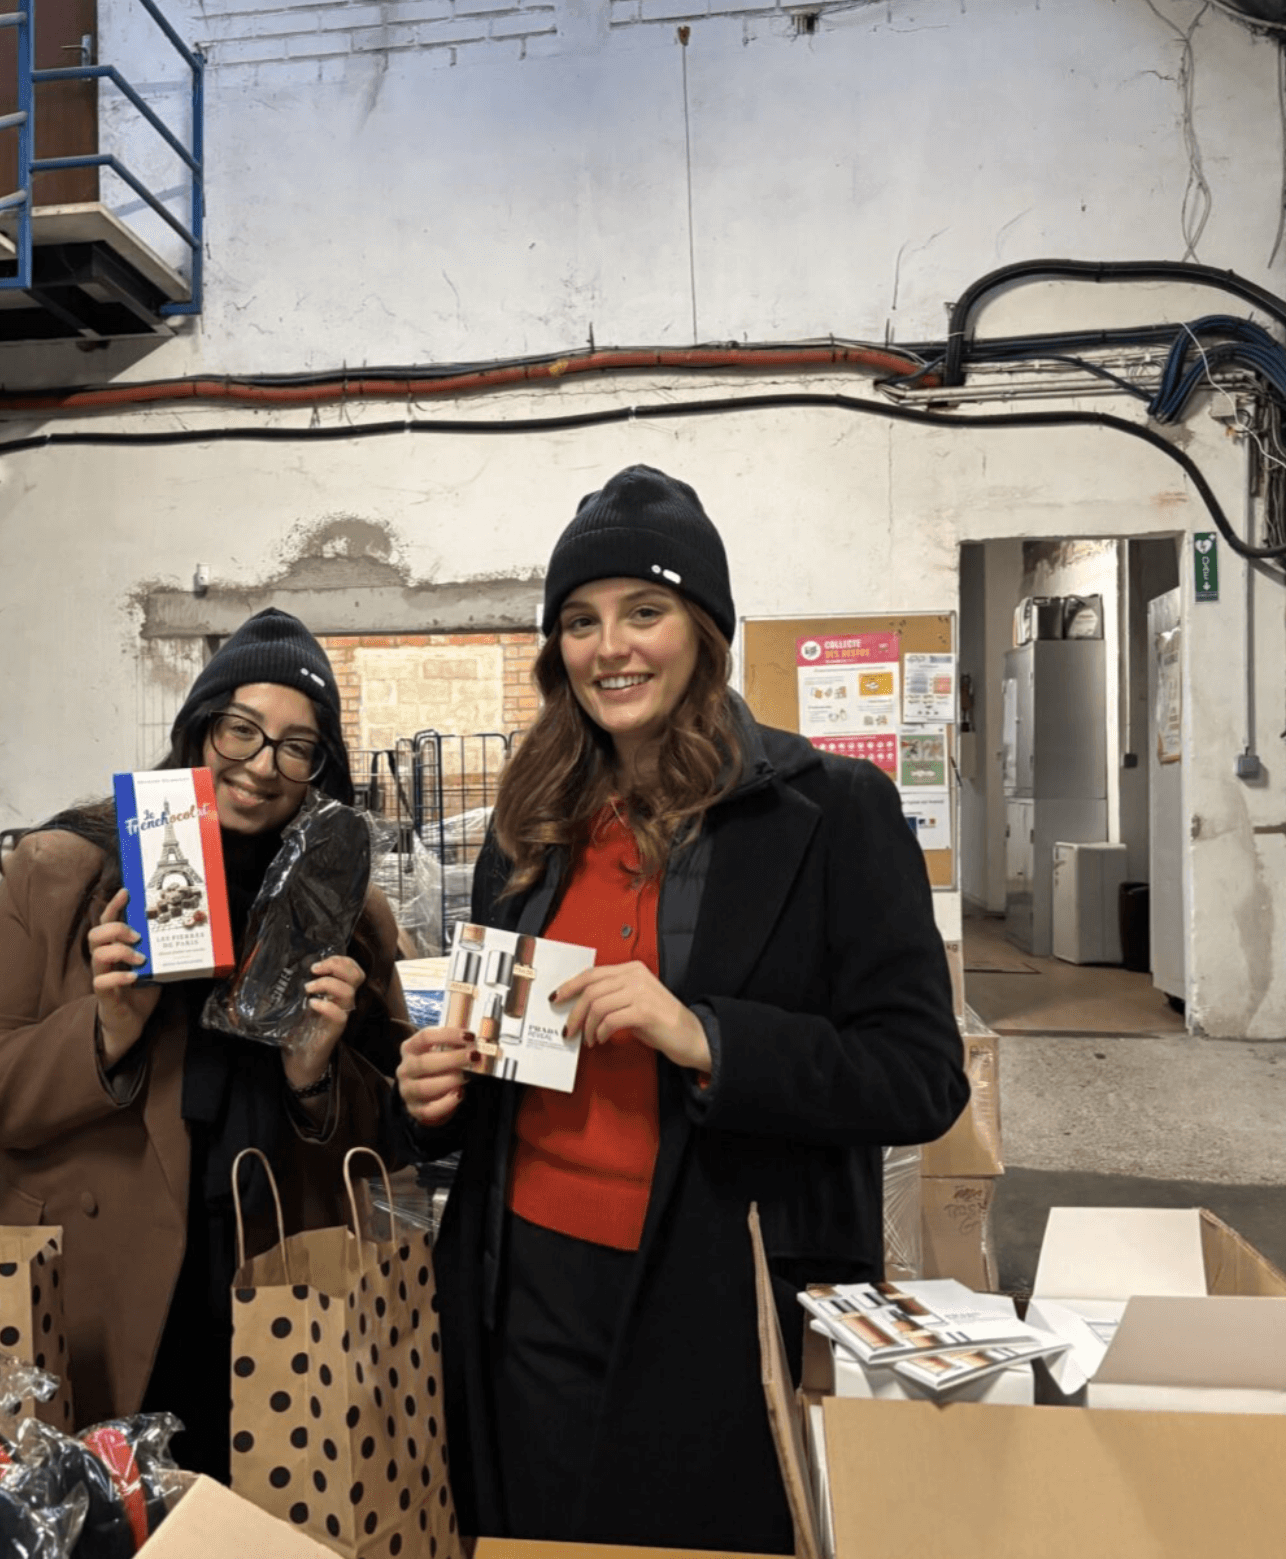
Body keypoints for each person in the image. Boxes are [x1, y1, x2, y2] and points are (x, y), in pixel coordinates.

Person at [396, 466, 969, 1552]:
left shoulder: (831, 814)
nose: (608, 646)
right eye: (579, 620)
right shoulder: (529, 824)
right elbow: (498, 1072)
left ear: (703, 630)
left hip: (719, 1291)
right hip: (524, 1286)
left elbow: (919, 1074)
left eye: (642, 611)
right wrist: (434, 1092)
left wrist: (703, 1033)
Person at [0, 608, 411, 1479]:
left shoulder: (350, 917)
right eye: (242, 730)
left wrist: (315, 1078)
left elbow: (379, 1141)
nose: (262, 764)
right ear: (198, 730)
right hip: (91, 1295)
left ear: (318, 772)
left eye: (296, 746)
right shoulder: (67, 872)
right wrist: (102, 1034)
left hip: (276, 1303)